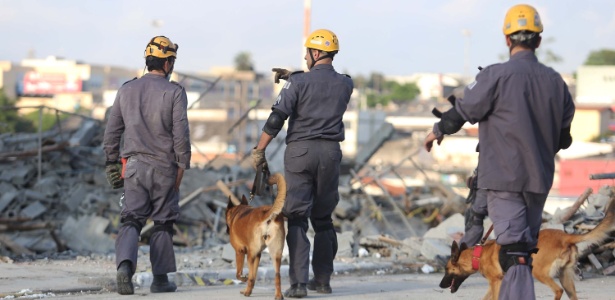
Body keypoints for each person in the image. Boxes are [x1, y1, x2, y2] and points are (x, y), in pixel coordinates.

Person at [423, 4, 575, 300]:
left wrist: (437, 131)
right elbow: (565, 138)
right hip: (539, 179)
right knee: (524, 246)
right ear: (539, 41)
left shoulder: (495, 76)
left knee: (515, 250)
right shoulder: (556, 82)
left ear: (507, 40)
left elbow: (463, 110)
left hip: (503, 180)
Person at [251, 29, 353, 298]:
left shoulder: (297, 84)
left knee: (297, 218)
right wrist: (294, 76)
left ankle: (297, 284)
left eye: (308, 53)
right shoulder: (346, 84)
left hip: (300, 153)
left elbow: (276, 119)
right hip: (331, 154)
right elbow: (321, 83)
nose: (306, 57)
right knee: (323, 220)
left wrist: (259, 151)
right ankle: (323, 281)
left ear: (315, 53)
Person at [103, 35, 191, 295]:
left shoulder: (126, 89)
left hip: (133, 167)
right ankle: (160, 280)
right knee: (163, 222)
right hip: (164, 168)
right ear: (167, 64)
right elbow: (181, 136)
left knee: (131, 218)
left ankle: (125, 269)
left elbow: (112, 132)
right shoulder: (174, 92)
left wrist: (110, 161)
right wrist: (181, 169)